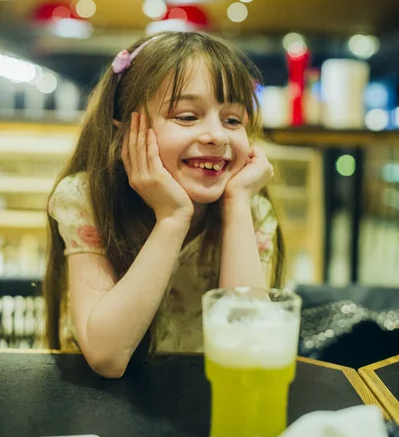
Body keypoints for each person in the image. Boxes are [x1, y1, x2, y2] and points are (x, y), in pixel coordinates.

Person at [44, 31, 284, 378]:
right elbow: (107, 356)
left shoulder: (249, 207)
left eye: (232, 120)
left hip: (201, 404)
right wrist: (172, 218)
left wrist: (237, 205)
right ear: (124, 132)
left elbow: (248, 349)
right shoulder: (85, 199)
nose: (216, 135)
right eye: (187, 116)